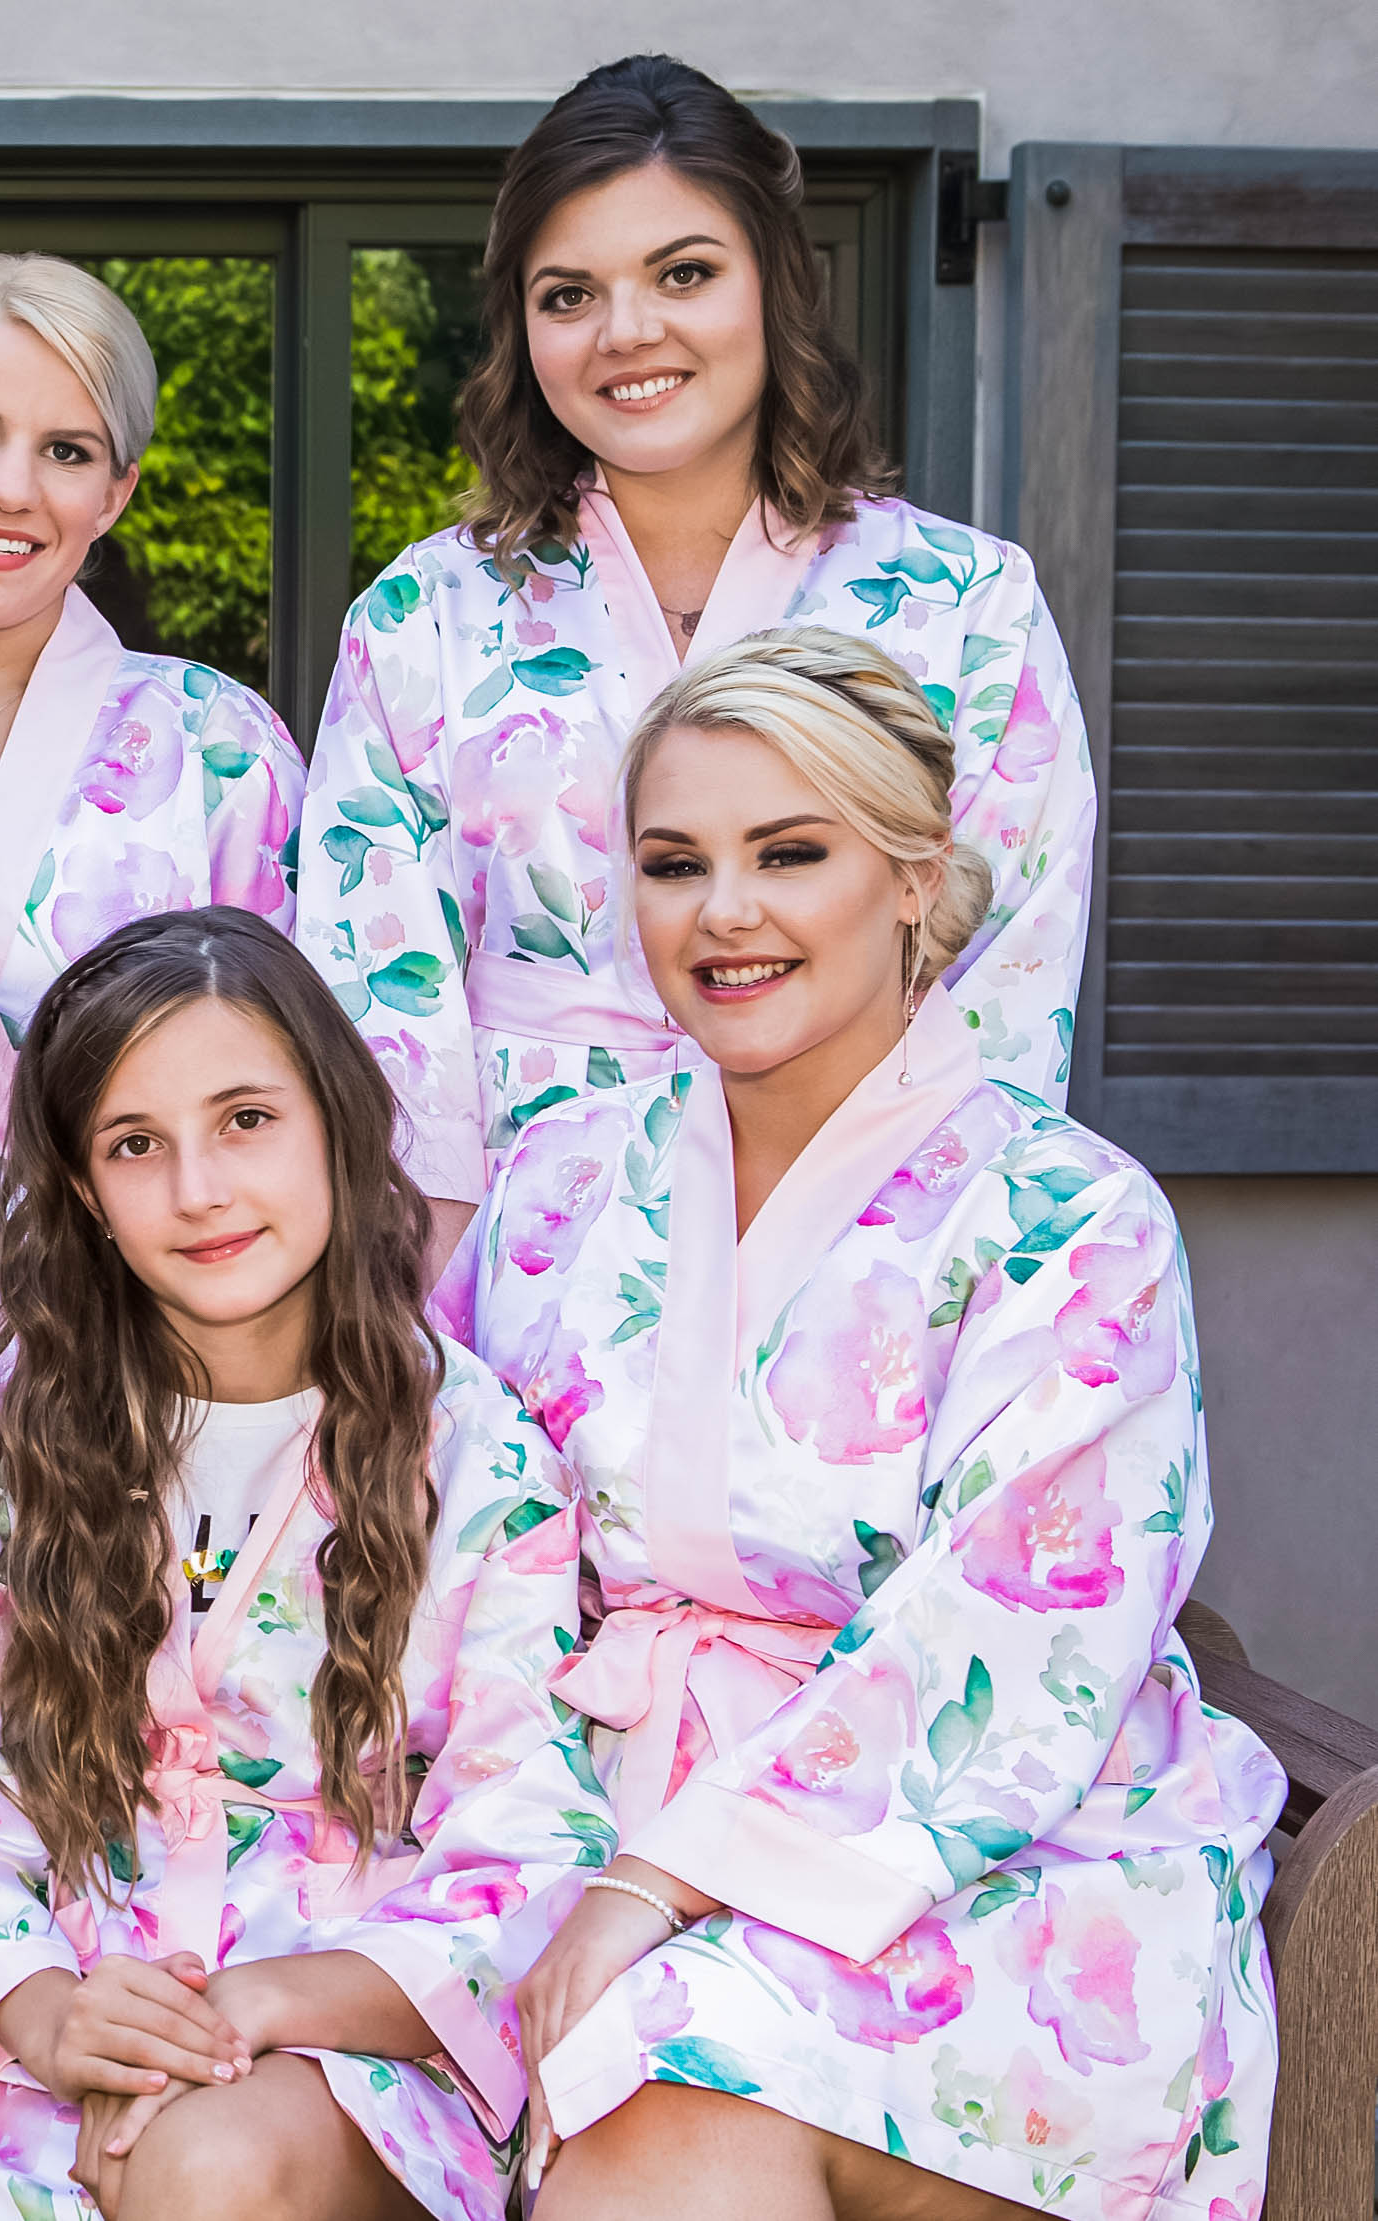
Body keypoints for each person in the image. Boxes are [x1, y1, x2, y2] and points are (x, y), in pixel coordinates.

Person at [466, 631, 1278, 2221]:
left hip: (985, 1859)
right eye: (672, 863)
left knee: (662, 2082)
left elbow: (1013, 1640)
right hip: (594, 1809)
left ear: (912, 879)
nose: (723, 911)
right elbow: (467, 1537)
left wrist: (661, 1881)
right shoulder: (561, 1181)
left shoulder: (1066, 1218)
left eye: (788, 852)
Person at [0, 908, 604, 2221]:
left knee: (209, 2170)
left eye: (245, 1119)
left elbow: (527, 1832)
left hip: (347, 2062)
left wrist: (260, 2004)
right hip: (54, 2056)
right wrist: (45, 2011)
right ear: (83, 1190)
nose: (198, 1188)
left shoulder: (475, 1456)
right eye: (134, 1143)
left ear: (336, 1126)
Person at [298, 55, 1094, 1278]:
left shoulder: (964, 605)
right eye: (569, 294)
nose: (626, 333)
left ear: (774, 281)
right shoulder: (423, 615)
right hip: (515, 1247)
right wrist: (432, 1295)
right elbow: (370, 986)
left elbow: (1011, 969)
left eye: (682, 273)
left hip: (869, 1234)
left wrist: (916, 1255)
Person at [0, 254, 304, 1156]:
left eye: (65, 451)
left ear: (114, 495)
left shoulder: (216, 743)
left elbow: (295, 1078)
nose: (9, 488)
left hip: (148, 1242)